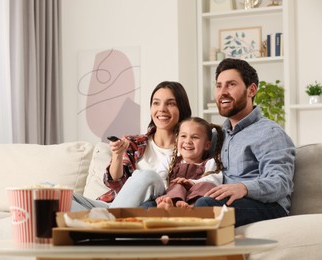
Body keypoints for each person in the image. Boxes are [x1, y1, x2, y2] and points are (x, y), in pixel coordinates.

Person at [194, 58, 296, 227]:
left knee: (206, 206)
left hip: (267, 206)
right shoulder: (217, 136)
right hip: (227, 201)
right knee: (154, 205)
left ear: (252, 90)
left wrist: (243, 187)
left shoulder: (269, 133)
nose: (222, 92)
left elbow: (281, 182)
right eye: (219, 86)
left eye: (231, 84)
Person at [71, 81, 192, 211]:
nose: (162, 109)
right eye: (156, 103)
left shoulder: (189, 148)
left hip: (150, 205)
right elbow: (115, 183)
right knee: (55, 196)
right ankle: (104, 221)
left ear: (182, 108)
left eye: (170, 103)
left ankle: (105, 220)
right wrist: (117, 155)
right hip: (113, 205)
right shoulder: (134, 143)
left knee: (147, 176)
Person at [155, 117, 224, 209]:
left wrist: (192, 182)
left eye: (195, 137)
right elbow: (159, 178)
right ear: (177, 139)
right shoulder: (169, 160)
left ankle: (191, 205)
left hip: (196, 199)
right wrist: (168, 186)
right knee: (177, 186)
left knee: (207, 185)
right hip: (172, 194)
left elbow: (216, 180)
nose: (188, 141)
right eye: (183, 136)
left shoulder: (210, 163)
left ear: (207, 145)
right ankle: (170, 203)